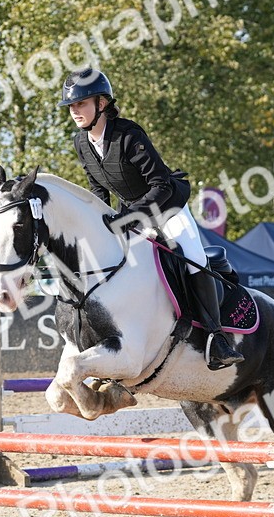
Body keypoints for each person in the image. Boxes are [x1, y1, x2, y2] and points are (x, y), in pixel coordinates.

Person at [58, 67, 244, 370]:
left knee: (191, 255)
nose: (74, 111)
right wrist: (99, 225)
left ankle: (217, 338)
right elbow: (97, 191)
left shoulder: (129, 135)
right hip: (130, 213)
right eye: (71, 106)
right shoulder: (81, 143)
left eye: (81, 104)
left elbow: (161, 185)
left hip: (167, 206)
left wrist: (131, 216)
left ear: (101, 104)